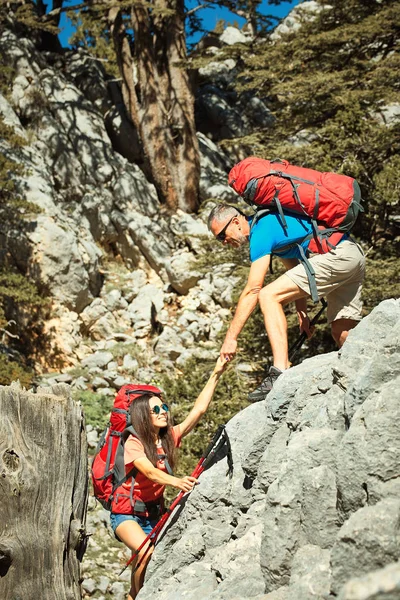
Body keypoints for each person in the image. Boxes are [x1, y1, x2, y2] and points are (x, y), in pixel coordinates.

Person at [208, 203, 365, 401]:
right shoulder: (273, 223)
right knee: (342, 332)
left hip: (335, 257)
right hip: (351, 254)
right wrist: (302, 313)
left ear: (236, 221)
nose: (223, 242)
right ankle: (365, 375)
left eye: (221, 235)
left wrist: (231, 338)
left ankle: (280, 370)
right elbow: (295, 269)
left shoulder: (261, 231)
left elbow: (253, 289)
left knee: (268, 295)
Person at [110, 356, 227, 600]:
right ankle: (135, 596)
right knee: (145, 553)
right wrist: (177, 482)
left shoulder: (167, 438)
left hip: (153, 514)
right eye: (155, 410)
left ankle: (133, 595)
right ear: (143, 415)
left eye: (163, 408)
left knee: (148, 559)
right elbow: (149, 471)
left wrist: (217, 371)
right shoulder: (133, 441)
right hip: (126, 514)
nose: (163, 412)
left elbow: (199, 410)